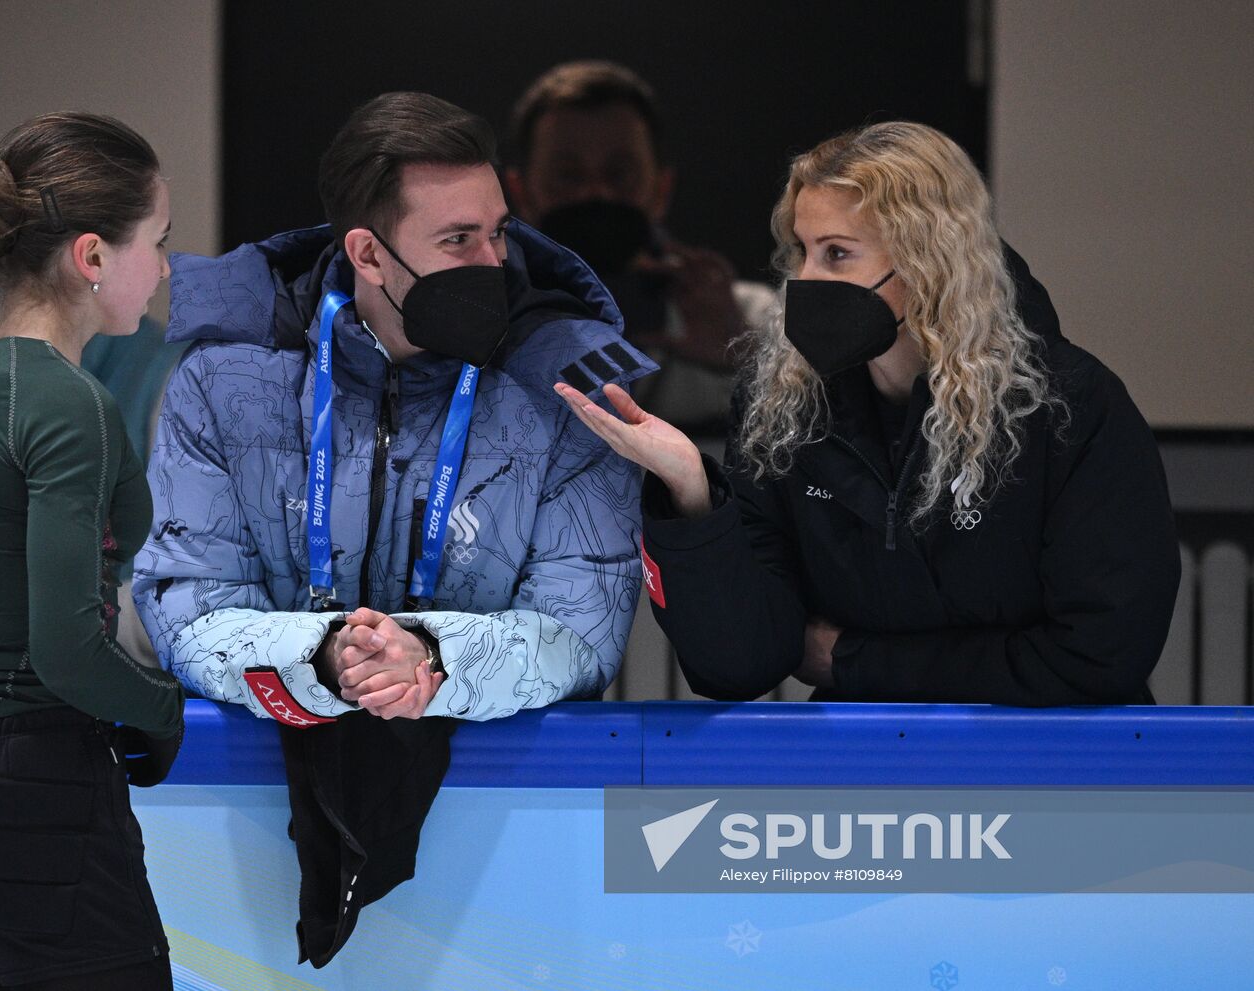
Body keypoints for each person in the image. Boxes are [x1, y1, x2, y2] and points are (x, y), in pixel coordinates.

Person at [133, 92, 650, 964]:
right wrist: (329, 654)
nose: (494, 261)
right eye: (458, 241)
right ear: (368, 252)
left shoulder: (566, 386)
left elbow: (585, 632)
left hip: (516, 856)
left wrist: (431, 658)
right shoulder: (222, 382)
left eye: (498, 230)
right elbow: (185, 605)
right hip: (242, 854)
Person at [557, 121, 1180, 706]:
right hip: (868, 783)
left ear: (927, 261)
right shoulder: (785, 408)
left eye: (836, 254)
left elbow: (1101, 655)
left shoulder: (1067, 407)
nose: (803, 280)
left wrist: (853, 661)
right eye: (802, 251)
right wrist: (693, 495)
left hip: (1055, 778)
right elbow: (740, 665)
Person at [0, 112, 185, 990]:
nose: (167, 269)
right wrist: (159, 707)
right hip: (37, 798)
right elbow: (67, 649)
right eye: (159, 242)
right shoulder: (68, 401)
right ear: (93, 258)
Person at [505, 60, 776, 435]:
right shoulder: (482, 335)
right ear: (520, 192)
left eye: (620, 173)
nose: (595, 192)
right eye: (567, 175)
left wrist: (743, 359)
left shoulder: (757, 320)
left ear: (661, 188)